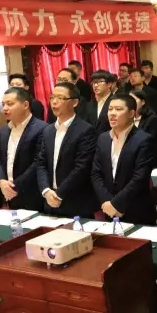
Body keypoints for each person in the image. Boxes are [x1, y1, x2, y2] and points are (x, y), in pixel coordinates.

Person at [91, 94, 156, 225]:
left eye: (118, 109)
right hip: (108, 209)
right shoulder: (103, 138)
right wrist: (108, 202)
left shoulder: (144, 139)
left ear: (132, 113)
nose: (112, 113)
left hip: (136, 209)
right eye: (110, 109)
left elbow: (139, 178)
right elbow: (96, 173)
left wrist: (117, 204)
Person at [36, 82, 97, 218]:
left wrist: (59, 194)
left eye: (61, 98)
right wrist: (46, 190)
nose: (54, 102)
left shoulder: (85, 130)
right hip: (50, 200)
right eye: (52, 97)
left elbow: (82, 167)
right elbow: (41, 163)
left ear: (75, 102)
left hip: (75, 202)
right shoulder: (48, 130)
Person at [0, 87, 47, 210]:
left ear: (25, 105)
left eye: (10, 104)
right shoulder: (4, 130)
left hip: (33, 194)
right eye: (3, 104)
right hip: (8, 194)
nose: (5, 108)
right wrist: (1, 182)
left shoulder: (42, 129)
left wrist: (14, 186)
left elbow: (38, 162)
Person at [86, 70, 115, 134]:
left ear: (109, 84)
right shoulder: (89, 104)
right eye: (94, 82)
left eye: (100, 82)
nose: (95, 85)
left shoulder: (116, 101)